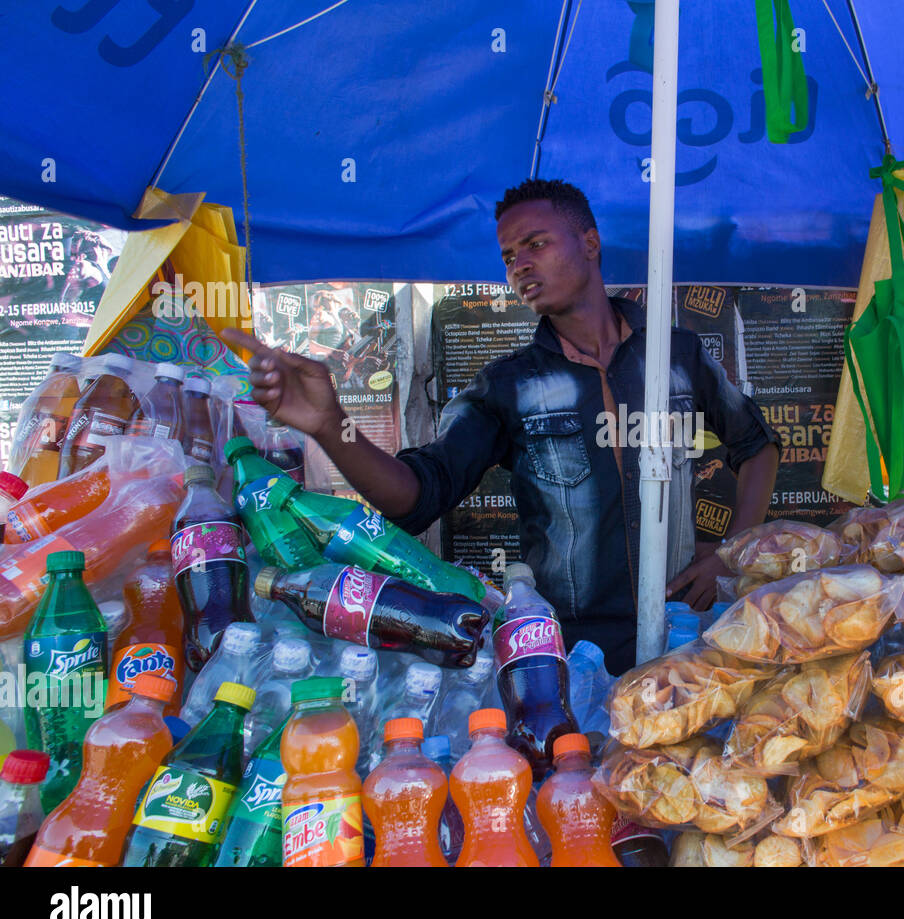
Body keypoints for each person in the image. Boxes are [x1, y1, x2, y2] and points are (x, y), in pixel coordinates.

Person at [221, 179, 779, 674]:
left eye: (536, 244)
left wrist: (731, 554)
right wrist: (329, 424)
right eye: (509, 257)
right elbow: (415, 497)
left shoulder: (676, 354)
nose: (520, 267)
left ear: (590, 243)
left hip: (688, 638)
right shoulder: (507, 387)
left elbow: (758, 446)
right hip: (568, 655)